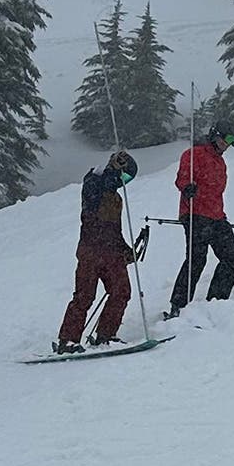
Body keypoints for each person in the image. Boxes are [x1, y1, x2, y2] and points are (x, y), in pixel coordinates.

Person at [55, 152, 142, 354]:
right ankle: (67, 341)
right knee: (84, 296)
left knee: (121, 291)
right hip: (91, 250)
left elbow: (114, 229)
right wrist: (111, 171)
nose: (123, 182)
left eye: (128, 180)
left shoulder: (116, 199)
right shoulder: (94, 183)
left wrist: (125, 250)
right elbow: (93, 189)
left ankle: (106, 335)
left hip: (111, 253)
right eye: (124, 176)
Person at [165, 126, 234, 319]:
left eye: (230, 143)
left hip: (217, 216)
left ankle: (216, 301)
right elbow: (182, 177)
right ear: (215, 136)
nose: (226, 146)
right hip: (195, 213)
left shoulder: (220, 162)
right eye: (225, 140)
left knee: (232, 256)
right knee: (197, 259)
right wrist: (187, 187)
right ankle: (178, 306)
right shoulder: (194, 154)